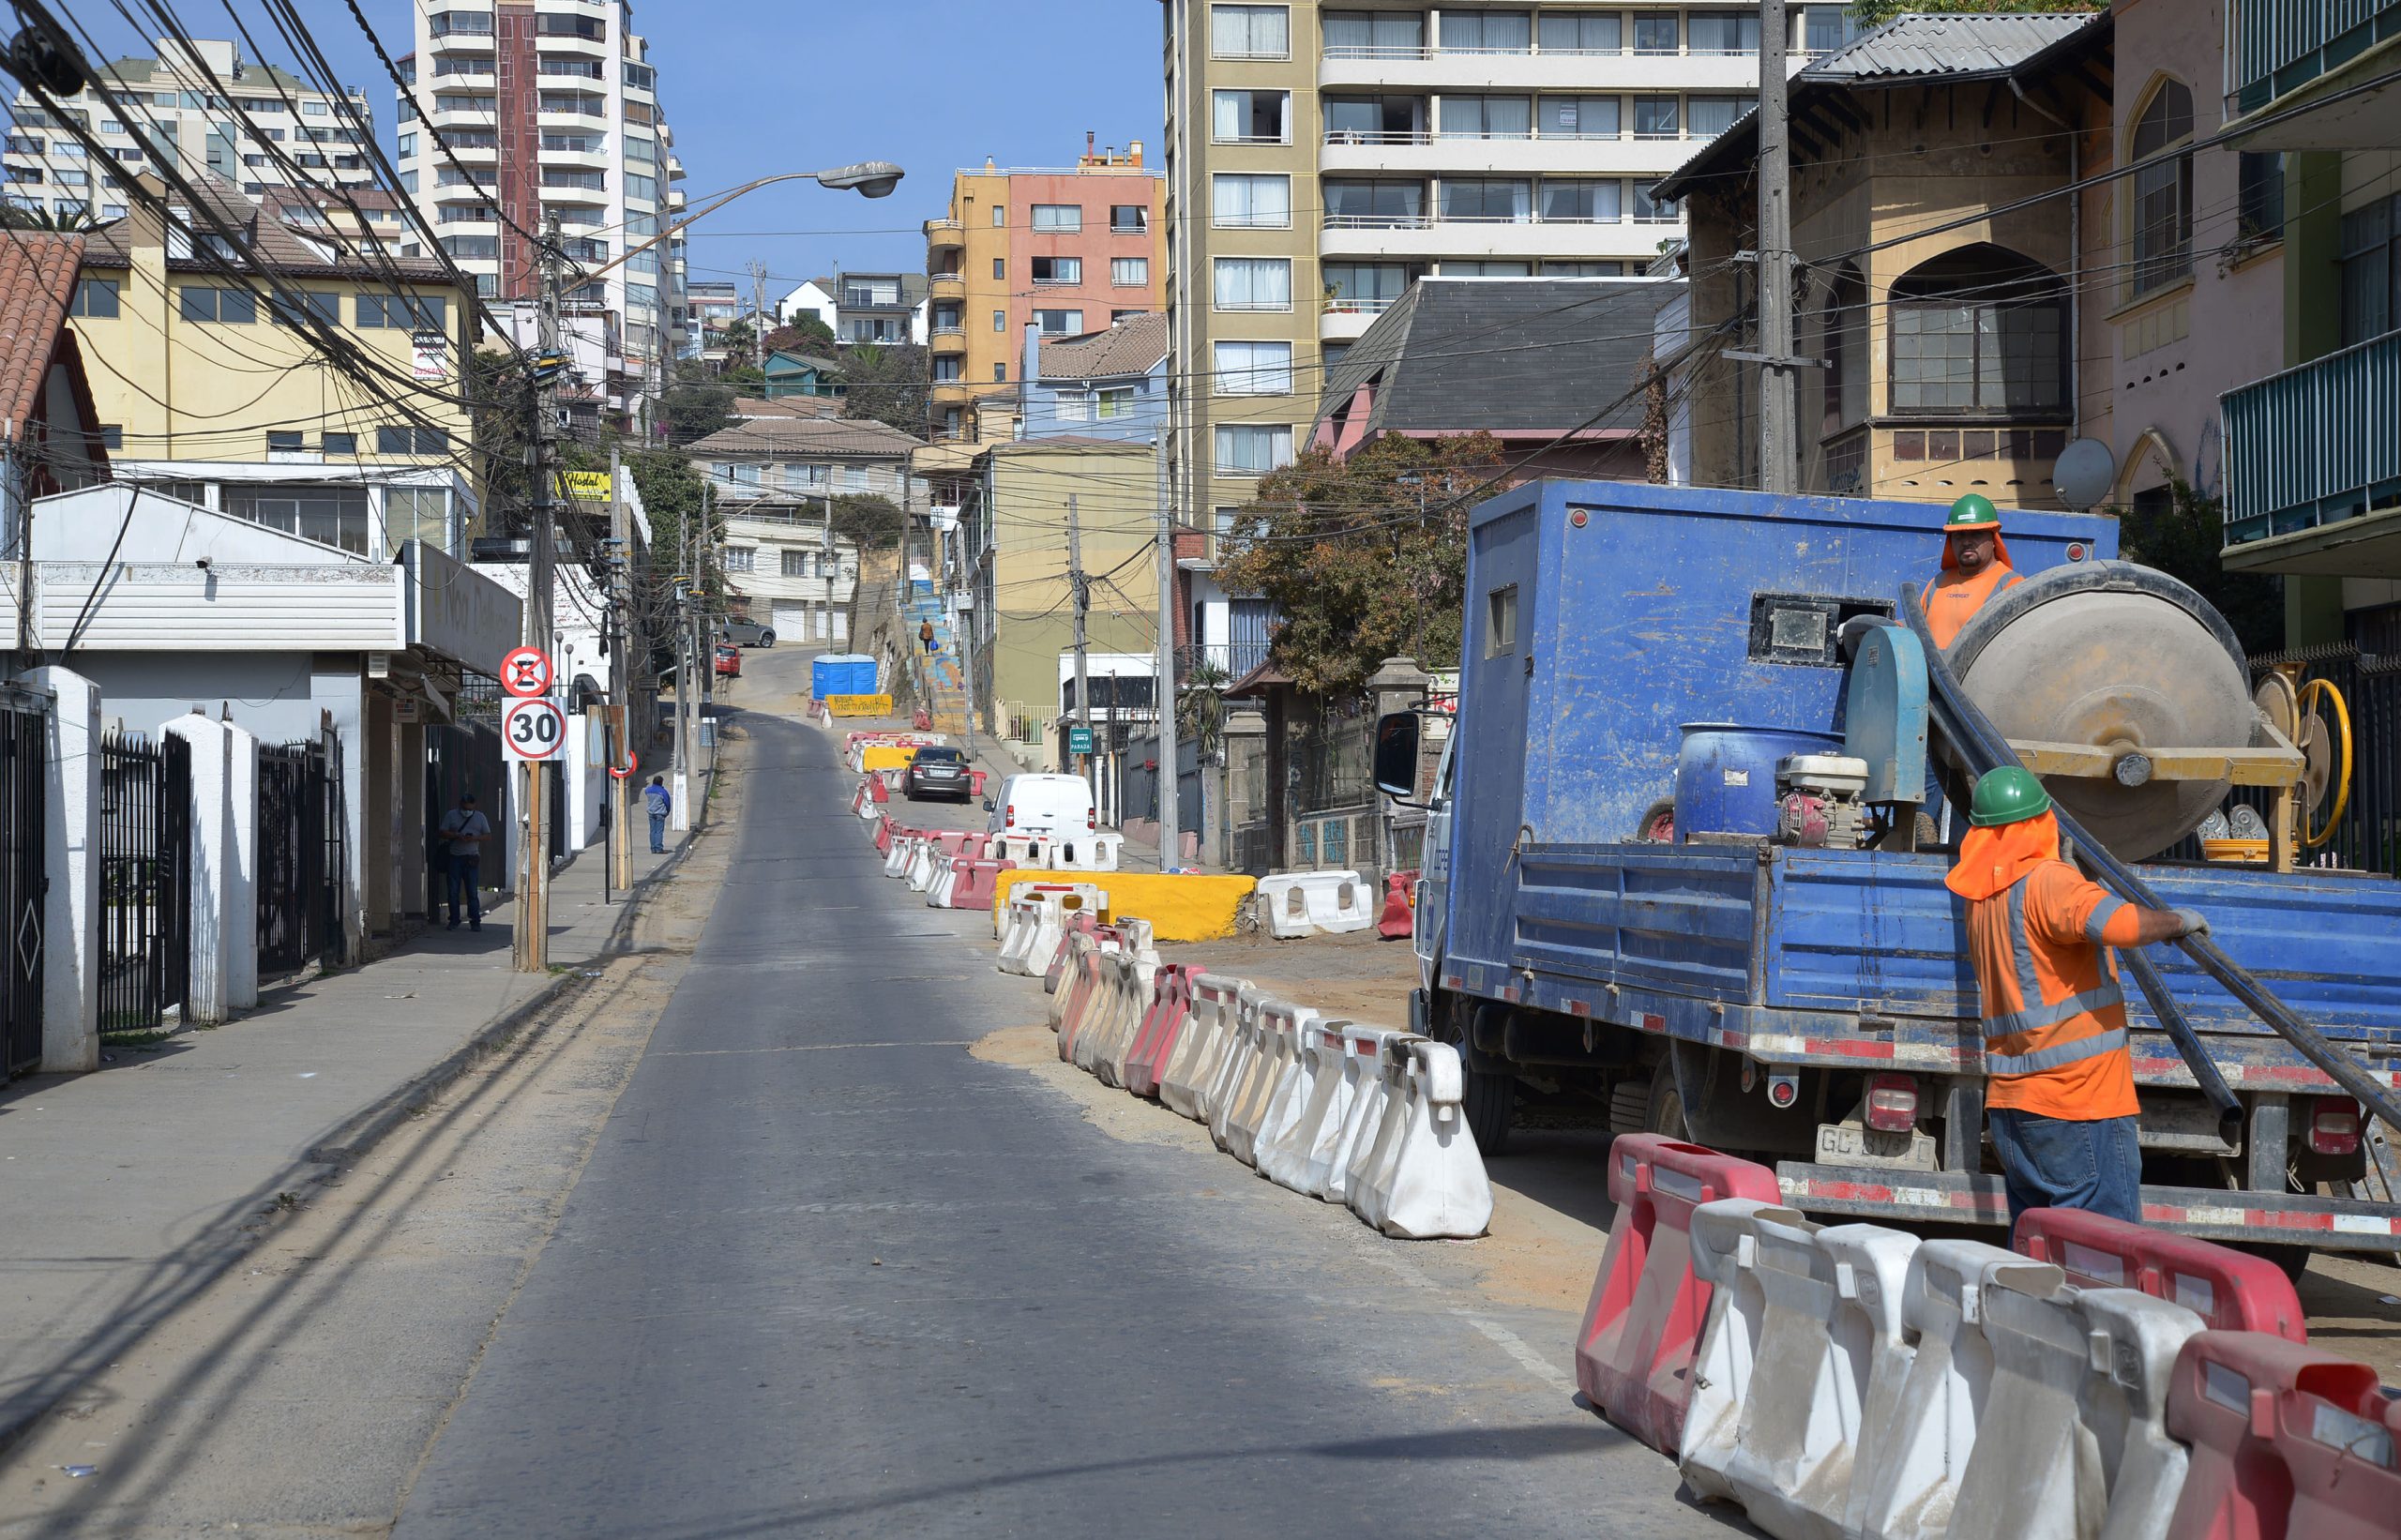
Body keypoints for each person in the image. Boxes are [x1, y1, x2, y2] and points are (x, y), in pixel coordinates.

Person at [1945, 767, 2209, 1226]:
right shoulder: (2049, 883)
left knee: (2040, 1254)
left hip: (2015, 1106)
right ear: (2038, 822)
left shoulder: (1984, 899)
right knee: (2101, 1261)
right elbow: (2120, 925)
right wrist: (2177, 922)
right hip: (2078, 1104)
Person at [1921, 492, 2024, 650]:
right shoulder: (1937, 583)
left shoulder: (2011, 585)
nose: (1967, 542)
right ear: (1951, 541)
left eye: (1976, 534)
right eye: (1959, 535)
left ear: (1993, 540)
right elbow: (1915, 628)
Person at [436, 791, 490, 932]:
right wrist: (456, 835)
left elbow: (487, 835)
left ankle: (475, 921)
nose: (468, 812)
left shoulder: (480, 817)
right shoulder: (451, 815)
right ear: (460, 806)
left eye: (470, 809)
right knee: (453, 891)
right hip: (455, 857)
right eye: (465, 809)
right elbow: (442, 832)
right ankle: (454, 919)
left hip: (472, 858)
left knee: (472, 892)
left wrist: (474, 838)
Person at [643, 774, 672, 853]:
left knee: (652, 831)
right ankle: (659, 848)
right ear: (661, 782)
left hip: (651, 812)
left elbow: (646, 791)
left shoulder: (648, 790)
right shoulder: (663, 792)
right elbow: (667, 803)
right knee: (659, 832)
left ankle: (653, 848)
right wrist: (667, 812)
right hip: (660, 813)